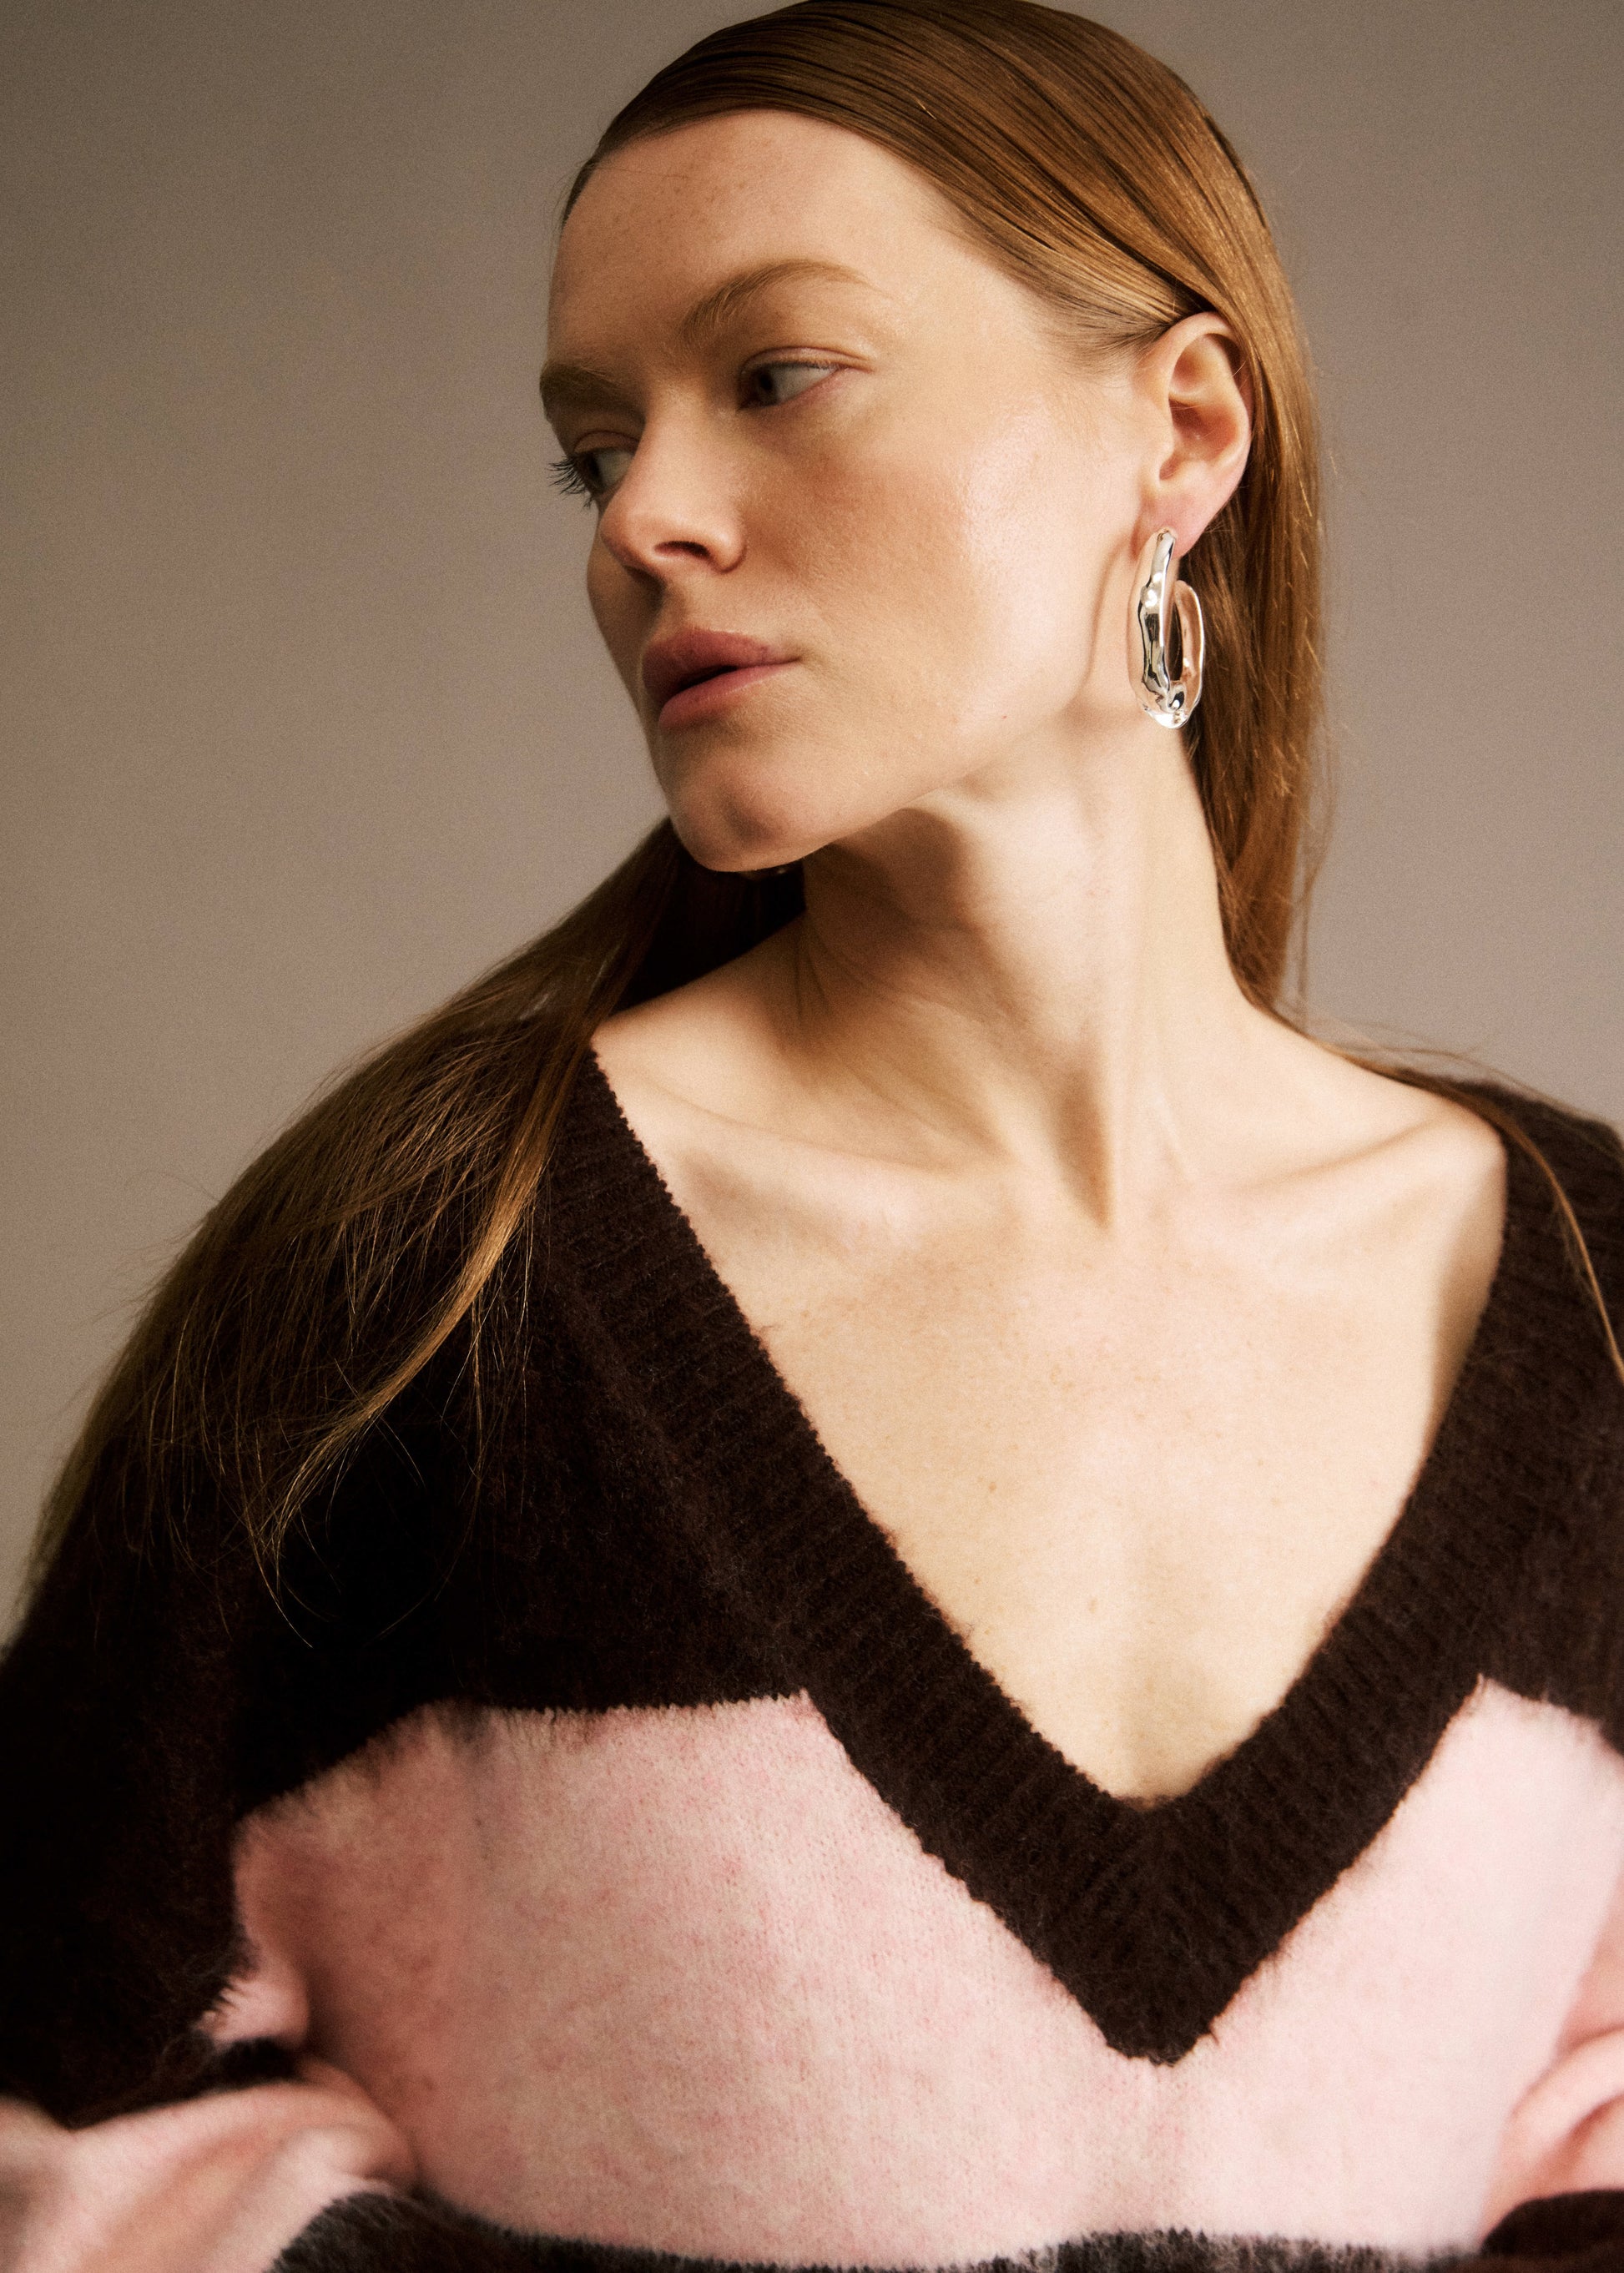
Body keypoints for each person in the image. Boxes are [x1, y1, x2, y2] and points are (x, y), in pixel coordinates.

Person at [3, 3, 1622, 2268]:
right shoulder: (426, 1276)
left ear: (1177, 433)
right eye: (592, 453)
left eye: (775, 375)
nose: (640, 521)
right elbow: (59, 2132)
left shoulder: (1594, 1298)